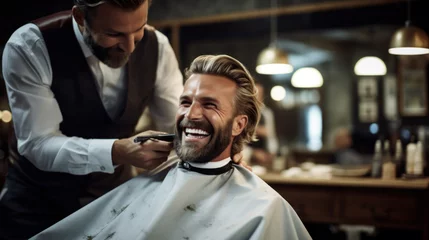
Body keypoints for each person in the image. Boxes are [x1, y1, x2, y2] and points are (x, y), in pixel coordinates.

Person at [30, 54, 312, 240]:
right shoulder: (152, 181)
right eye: (186, 102)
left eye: (210, 104)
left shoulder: (265, 208)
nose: (191, 115)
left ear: (239, 125)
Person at [0, 0, 183, 239]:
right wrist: (117, 151)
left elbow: (177, 124)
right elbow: (39, 143)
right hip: (35, 207)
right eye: (113, 33)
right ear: (79, 17)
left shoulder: (158, 46)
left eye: (139, 30)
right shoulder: (30, 46)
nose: (129, 47)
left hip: (113, 201)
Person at [245, 82, 279, 168]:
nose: (258, 97)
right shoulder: (242, 113)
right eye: (255, 94)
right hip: (246, 159)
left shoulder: (266, 113)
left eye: (260, 94)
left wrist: (272, 153)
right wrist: (252, 153)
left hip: (264, 158)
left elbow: (271, 136)